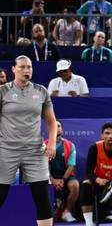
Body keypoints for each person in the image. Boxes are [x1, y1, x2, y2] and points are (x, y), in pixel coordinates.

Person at [0, 56, 58, 226]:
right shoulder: (3, 91)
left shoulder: (41, 91)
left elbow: (51, 121)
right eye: (22, 67)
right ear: (13, 69)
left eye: (29, 67)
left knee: (43, 197)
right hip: (6, 150)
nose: (27, 70)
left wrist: (52, 143)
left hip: (35, 151)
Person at [47, 120, 79, 223]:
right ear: (49, 129)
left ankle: (67, 212)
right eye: (54, 126)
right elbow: (43, 166)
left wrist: (62, 180)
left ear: (62, 129)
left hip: (66, 177)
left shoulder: (70, 145)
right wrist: (52, 180)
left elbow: (71, 166)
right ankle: (48, 214)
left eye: (59, 126)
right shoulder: (44, 145)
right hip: (48, 176)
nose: (57, 128)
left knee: (75, 185)